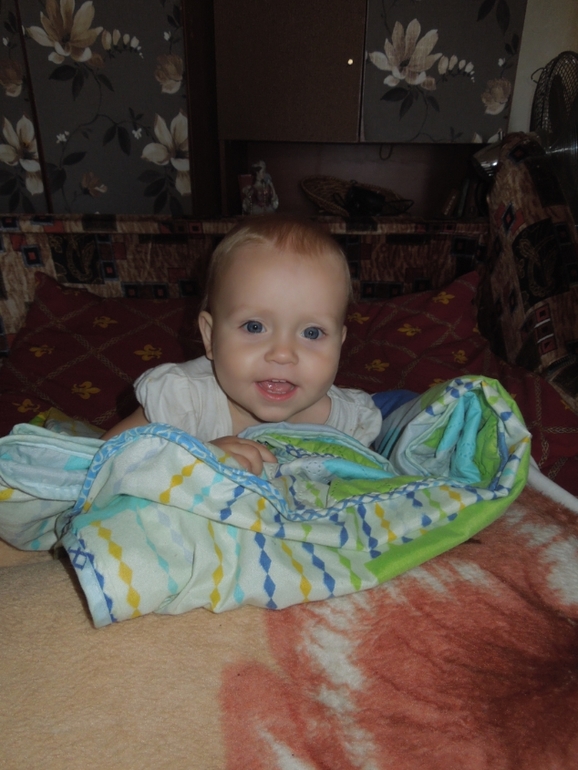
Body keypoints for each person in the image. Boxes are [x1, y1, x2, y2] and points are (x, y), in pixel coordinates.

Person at [101, 215, 382, 474]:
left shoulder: (350, 424)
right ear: (210, 336)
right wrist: (195, 460)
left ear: (340, 344)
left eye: (311, 333)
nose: (283, 354)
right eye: (254, 327)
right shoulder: (183, 402)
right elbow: (97, 465)